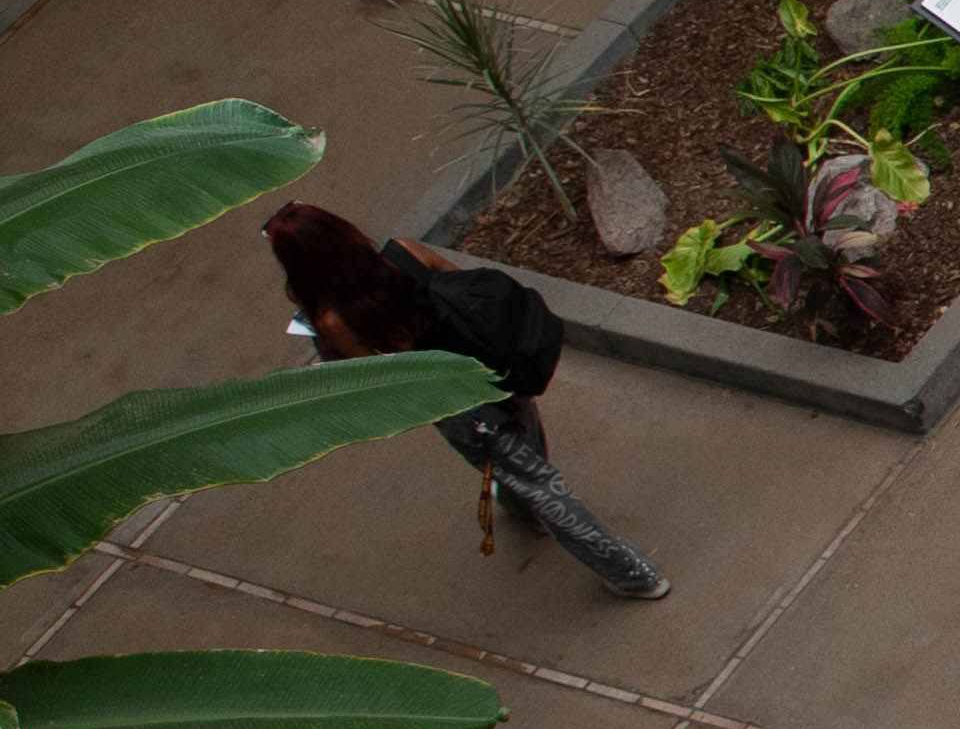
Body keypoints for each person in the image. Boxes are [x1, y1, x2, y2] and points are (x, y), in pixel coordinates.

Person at [259, 202, 663, 600]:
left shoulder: (336, 320)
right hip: (493, 365)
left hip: (459, 404)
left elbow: (376, 378)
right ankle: (524, 510)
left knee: (541, 485)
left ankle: (632, 574)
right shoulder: (403, 252)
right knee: (526, 448)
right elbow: (463, 285)